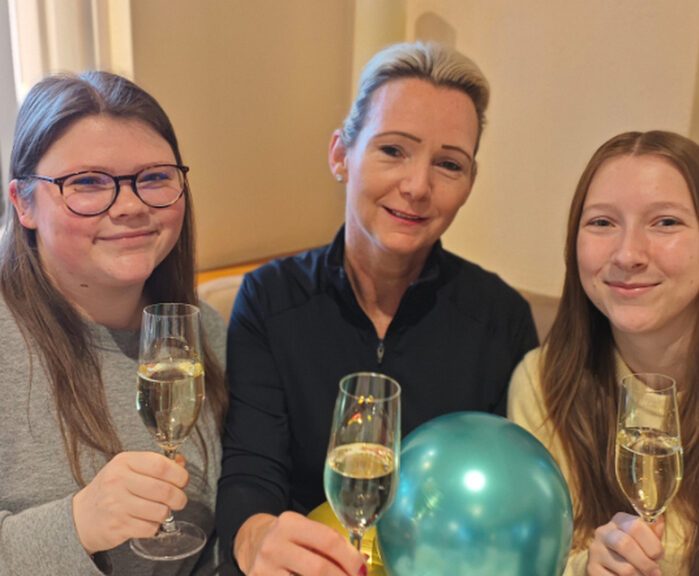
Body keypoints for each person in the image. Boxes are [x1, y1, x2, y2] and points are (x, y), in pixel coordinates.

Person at [217, 41, 538, 576]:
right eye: (393, 150)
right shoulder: (269, 300)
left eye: (448, 164)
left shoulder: (501, 319)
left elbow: (512, 499)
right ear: (342, 154)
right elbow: (251, 471)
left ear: (469, 186)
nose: (417, 187)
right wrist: (256, 541)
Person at [508, 130, 699, 576]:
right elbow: (533, 562)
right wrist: (586, 567)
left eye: (665, 222)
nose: (628, 254)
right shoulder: (543, 382)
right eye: (602, 223)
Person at [0, 71, 228, 575]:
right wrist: (76, 522)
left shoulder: (205, 333)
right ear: (23, 203)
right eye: (86, 182)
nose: (130, 206)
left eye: (154, 178)